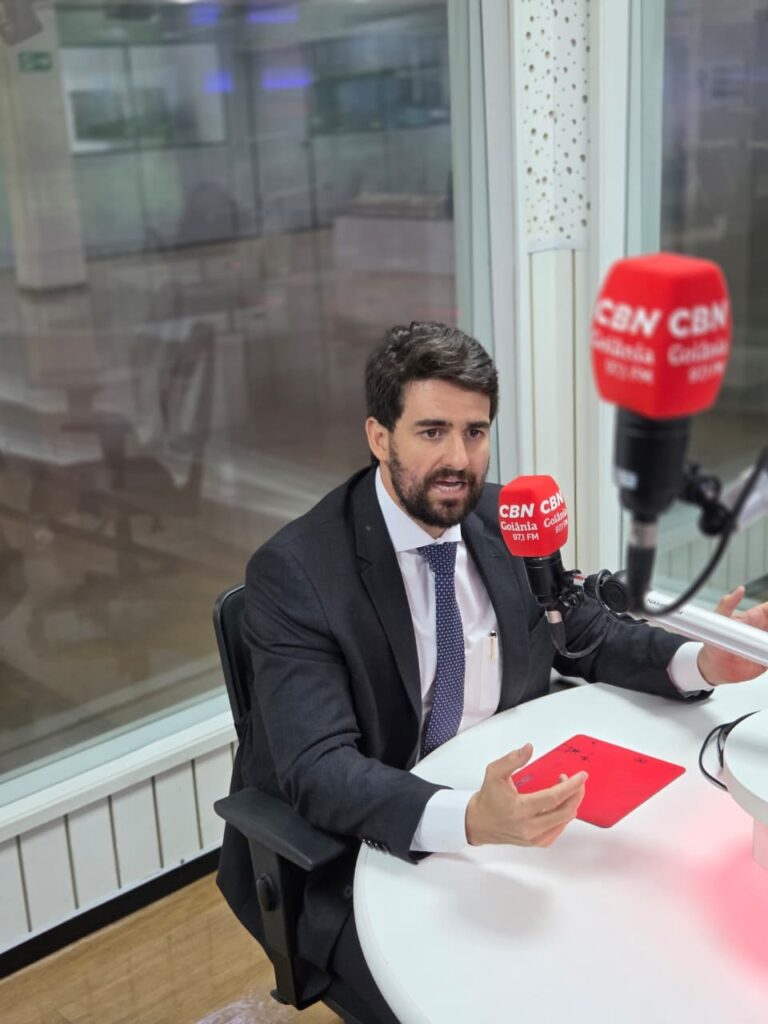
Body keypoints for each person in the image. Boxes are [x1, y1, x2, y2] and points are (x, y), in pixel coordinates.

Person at [218, 321, 768, 1024]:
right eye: (432, 431)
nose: (458, 459)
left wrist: (702, 659)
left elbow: (585, 632)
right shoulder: (298, 572)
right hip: (368, 851)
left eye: (475, 432)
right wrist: (469, 819)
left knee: (653, 956)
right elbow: (320, 769)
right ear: (379, 437)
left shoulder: (506, 519)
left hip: (515, 822)